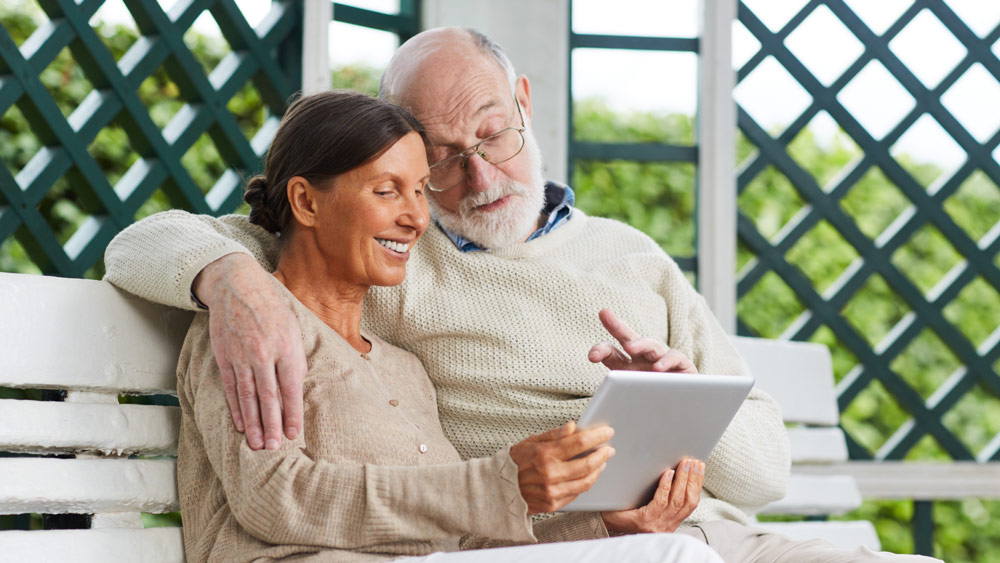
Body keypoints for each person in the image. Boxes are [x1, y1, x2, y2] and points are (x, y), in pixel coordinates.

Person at [106, 27, 941, 563]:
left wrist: (682, 396)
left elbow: (764, 476)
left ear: (524, 105)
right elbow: (148, 240)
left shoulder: (635, 257)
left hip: (700, 528)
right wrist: (230, 281)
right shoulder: (388, 247)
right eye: (439, 157)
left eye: (493, 134)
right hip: (560, 538)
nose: (477, 173)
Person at [176, 89, 721, 562]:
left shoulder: (404, 368)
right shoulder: (245, 334)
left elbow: (460, 543)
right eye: (386, 191)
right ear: (305, 201)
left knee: (673, 550)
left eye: (419, 189)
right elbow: (274, 497)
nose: (415, 217)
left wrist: (607, 526)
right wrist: (502, 482)